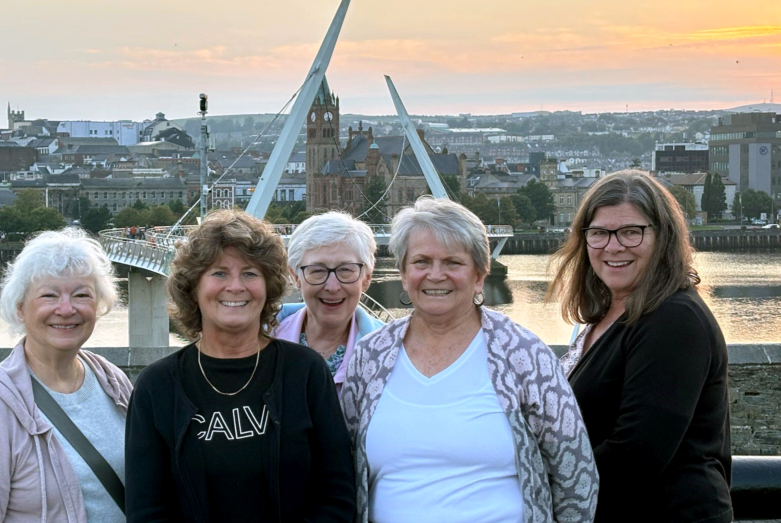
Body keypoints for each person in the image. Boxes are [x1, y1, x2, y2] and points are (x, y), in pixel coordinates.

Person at [340, 196, 598, 523]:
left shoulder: (524, 354)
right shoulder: (369, 356)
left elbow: (575, 474)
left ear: (479, 275)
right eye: (421, 262)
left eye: (452, 262)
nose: (436, 275)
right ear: (404, 274)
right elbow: (344, 467)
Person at [125, 209, 356, 523]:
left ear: (268, 287)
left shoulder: (304, 372)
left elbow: (336, 493)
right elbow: (147, 510)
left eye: (250, 273)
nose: (236, 286)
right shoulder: (158, 385)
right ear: (193, 287)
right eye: (219, 273)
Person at [549, 169, 732, 522]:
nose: (613, 246)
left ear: (663, 237)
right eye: (599, 233)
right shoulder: (610, 315)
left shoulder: (674, 319)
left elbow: (636, 454)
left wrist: (535, 484)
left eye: (631, 232)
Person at [0, 227, 132, 523]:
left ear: (97, 305)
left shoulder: (112, 382)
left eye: (81, 294)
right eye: (49, 295)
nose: (66, 308)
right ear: (20, 308)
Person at [275, 211, 384, 394]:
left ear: (366, 279)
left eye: (346, 270)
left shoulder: (390, 351)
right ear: (296, 278)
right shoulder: (262, 340)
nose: (332, 287)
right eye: (317, 271)